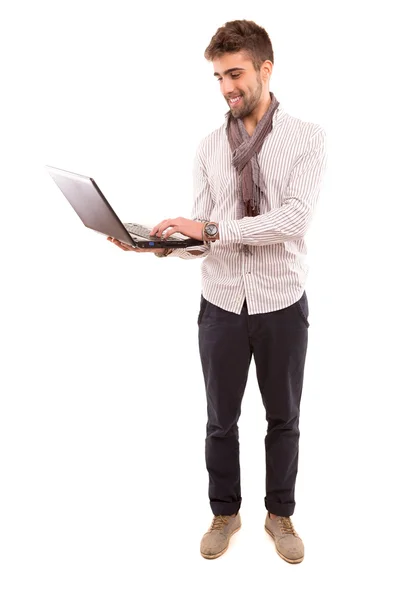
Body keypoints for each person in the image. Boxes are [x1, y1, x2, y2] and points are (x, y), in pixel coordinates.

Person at [108, 19, 327, 564]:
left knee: (284, 418)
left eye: (236, 74)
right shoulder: (208, 148)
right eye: (218, 77)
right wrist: (155, 247)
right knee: (218, 420)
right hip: (222, 304)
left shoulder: (306, 138)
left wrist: (208, 230)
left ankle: (280, 514)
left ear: (265, 69)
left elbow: (293, 220)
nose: (227, 86)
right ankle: (224, 512)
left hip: (281, 302)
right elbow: (204, 235)